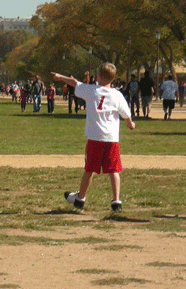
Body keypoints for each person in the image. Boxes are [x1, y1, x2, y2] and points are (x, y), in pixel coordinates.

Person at [52, 64, 135, 212]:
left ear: (99, 77)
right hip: (111, 139)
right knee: (114, 170)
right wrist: (131, 124)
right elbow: (127, 117)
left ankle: (80, 198)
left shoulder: (91, 91)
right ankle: (116, 201)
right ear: (113, 78)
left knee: (89, 170)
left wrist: (60, 77)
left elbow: (75, 83)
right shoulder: (117, 95)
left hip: (95, 137)